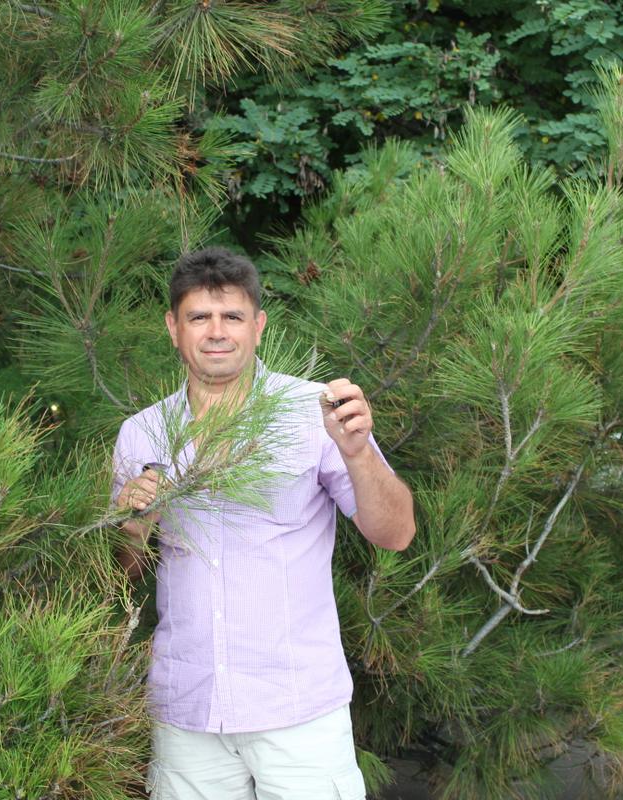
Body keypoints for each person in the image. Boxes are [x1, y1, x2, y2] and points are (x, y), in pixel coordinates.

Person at [111, 247, 415, 800]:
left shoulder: (318, 414)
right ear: (173, 328)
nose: (216, 331)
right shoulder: (141, 433)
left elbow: (395, 533)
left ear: (258, 326)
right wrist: (132, 528)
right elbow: (121, 575)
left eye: (232, 316)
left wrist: (358, 454)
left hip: (299, 710)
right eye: (199, 317)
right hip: (188, 711)